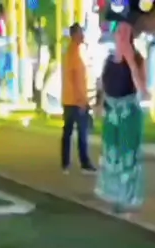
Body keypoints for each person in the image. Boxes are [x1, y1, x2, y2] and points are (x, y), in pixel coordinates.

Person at [95, 21, 146, 211]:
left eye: (126, 32)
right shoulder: (108, 60)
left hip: (128, 113)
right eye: (119, 31)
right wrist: (99, 104)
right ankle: (112, 194)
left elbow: (142, 90)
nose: (122, 35)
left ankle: (126, 198)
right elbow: (103, 84)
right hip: (111, 114)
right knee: (111, 155)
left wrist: (130, 61)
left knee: (127, 157)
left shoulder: (138, 59)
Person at [61, 24, 96, 174]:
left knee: (68, 133)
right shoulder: (75, 53)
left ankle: (65, 163)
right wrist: (82, 100)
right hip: (76, 101)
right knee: (82, 133)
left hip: (68, 100)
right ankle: (84, 163)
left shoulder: (70, 52)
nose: (83, 35)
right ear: (74, 35)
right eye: (80, 33)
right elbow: (76, 80)